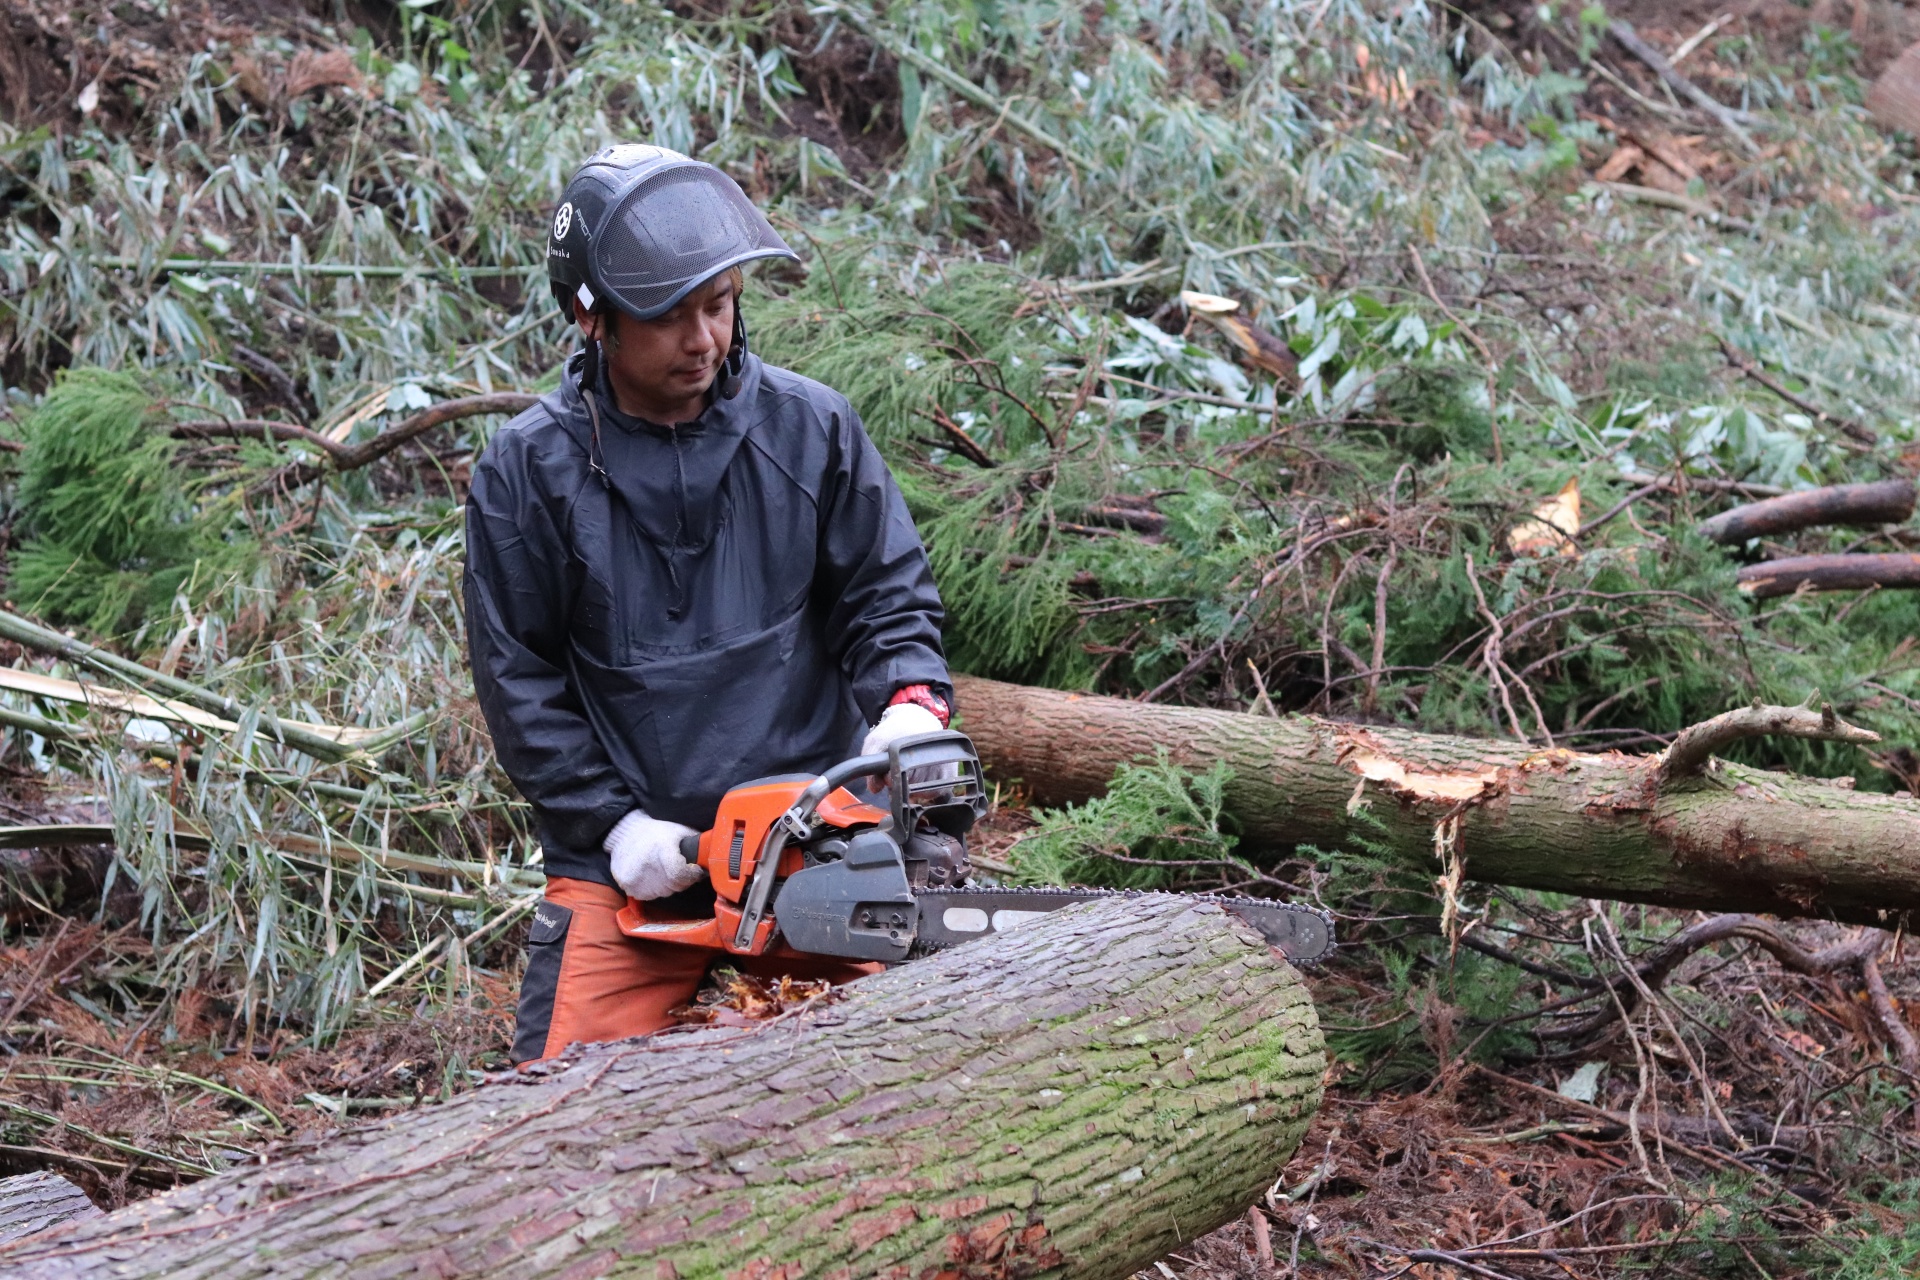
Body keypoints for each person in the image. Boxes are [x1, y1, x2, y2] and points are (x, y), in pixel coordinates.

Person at [464, 144, 953, 1065]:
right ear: (592, 318)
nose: (704, 340)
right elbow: (518, 681)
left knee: (887, 1083)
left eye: (719, 305)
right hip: (632, 856)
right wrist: (610, 825)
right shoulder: (527, 474)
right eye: (671, 317)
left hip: (813, 830)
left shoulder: (810, 430)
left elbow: (886, 598)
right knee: (552, 1119)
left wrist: (906, 704)